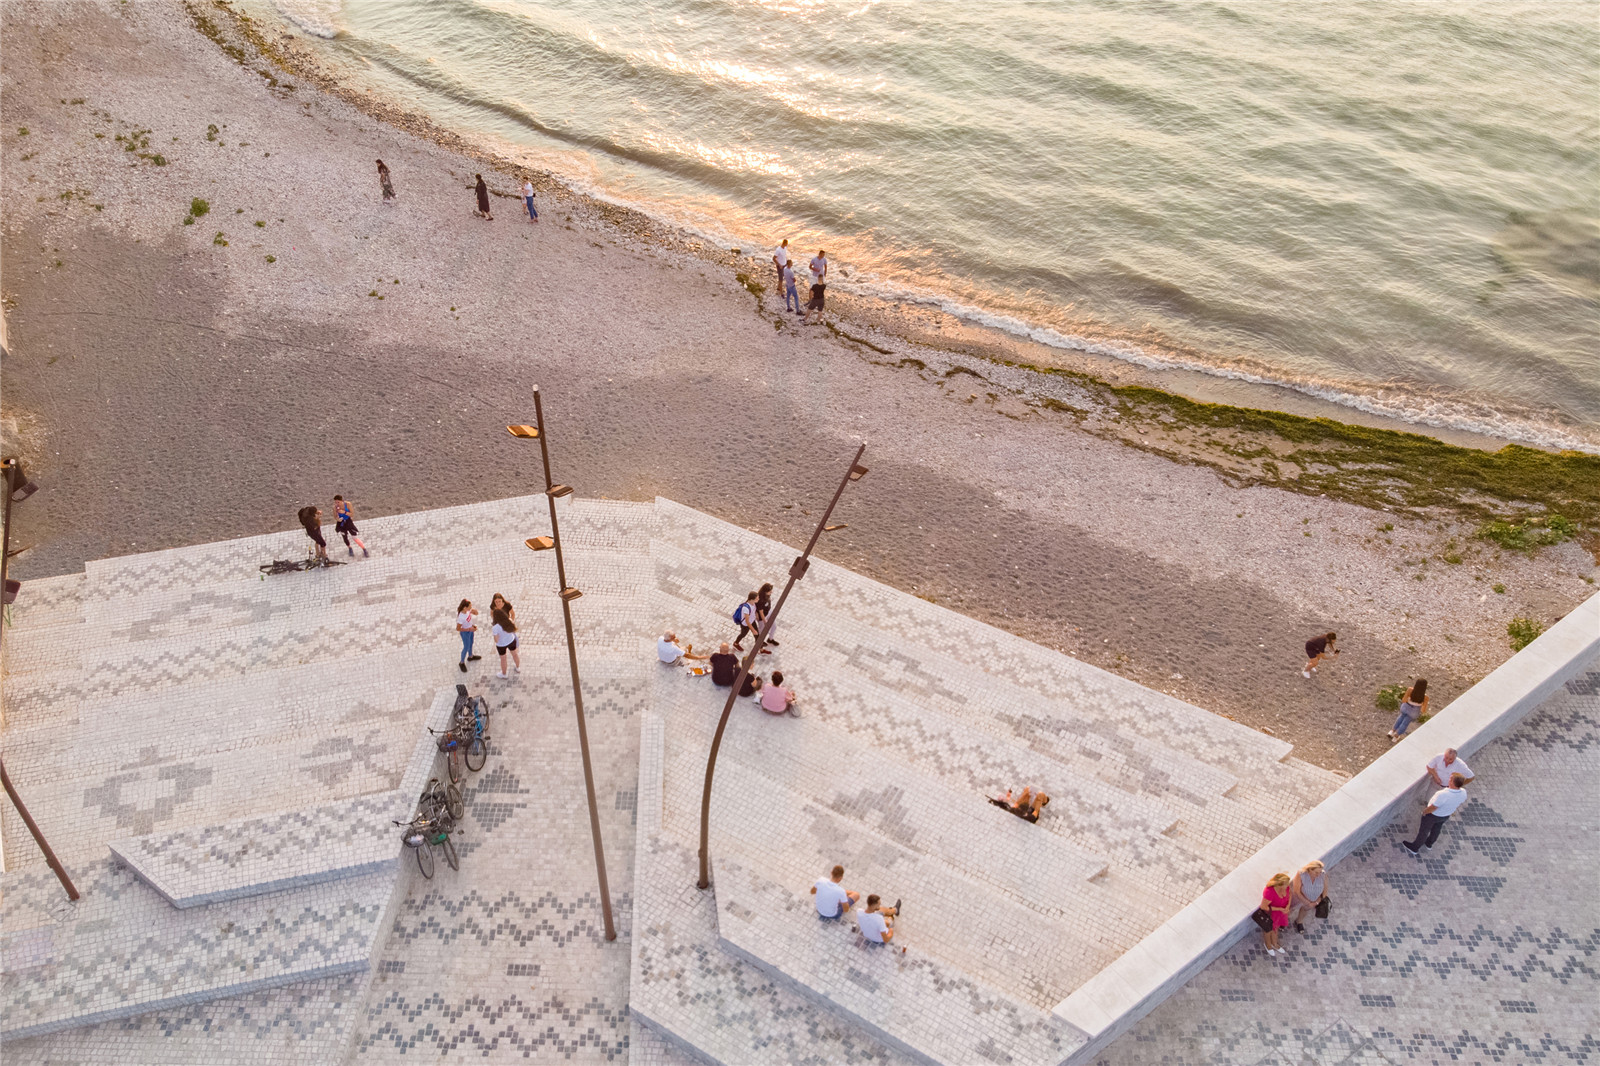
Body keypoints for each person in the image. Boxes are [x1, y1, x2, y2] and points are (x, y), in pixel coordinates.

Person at [1402, 773, 1469, 857]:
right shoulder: (1463, 792)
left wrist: (1425, 812)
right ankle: (1429, 843)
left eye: (1450, 779)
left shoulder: (1443, 794)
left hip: (1433, 815)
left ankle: (1415, 847)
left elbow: (1434, 807)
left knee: (1424, 831)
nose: (1449, 779)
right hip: (1446, 815)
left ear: (1452, 782)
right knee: (1437, 828)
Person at [1288, 859, 1328, 933]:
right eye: (1316, 872)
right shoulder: (1301, 874)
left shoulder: (1323, 874)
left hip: (1313, 901)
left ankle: (1299, 921)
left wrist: (1315, 903)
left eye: (1320, 872)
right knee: (1290, 909)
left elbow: (1325, 891)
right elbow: (1297, 891)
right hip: (1299, 898)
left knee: (1304, 910)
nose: (1318, 874)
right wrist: (1307, 902)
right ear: (1309, 870)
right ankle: (1283, 921)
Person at [1260, 872, 1291, 956]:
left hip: (1280, 913)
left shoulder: (1286, 887)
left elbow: (1289, 894)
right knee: (1268, 930)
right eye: (1286, 884)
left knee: (1276, 929)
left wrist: (1288, 906)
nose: (1288, 885)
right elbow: (1263, 906)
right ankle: (1268, 945)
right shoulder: (1270, 892)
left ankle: (1274, 943)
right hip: (1271, 914)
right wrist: (1280, 909)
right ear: (1280, 885)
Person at [491, 606, 520, 678]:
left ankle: (504, 674)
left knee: (503, 659)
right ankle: (518, 667)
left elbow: (496, 640)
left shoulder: (495, 627)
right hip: (511, 640)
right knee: (515, 654)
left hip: (501, 645)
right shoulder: (509, 620)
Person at [801, 249, 828, 324]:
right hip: (814, 276)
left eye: (824, 255)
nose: (823, 256)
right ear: (819, 254)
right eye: (822, 255)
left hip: (820, 276)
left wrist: (825, 274)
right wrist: (814, 269)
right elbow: (810, 266)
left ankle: (818, 300)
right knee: (811, 289)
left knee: (820, 288)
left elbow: (825, 267)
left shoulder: (824, 260)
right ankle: (810, 301)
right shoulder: (814, 259)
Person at [455, 599, 482, 673]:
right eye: (469, 607)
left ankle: (470, 656)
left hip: (470, 631)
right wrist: (469, 629)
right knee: (466, 647)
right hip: (465, 633)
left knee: (471, 643)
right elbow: (458, 628)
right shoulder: (461, 617)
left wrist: (475, 612)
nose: (471, 608)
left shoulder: (467, 611)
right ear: (464, 607)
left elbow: (475, 614)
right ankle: (461, 662)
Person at [755, 582, 779, 649]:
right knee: (761, 630)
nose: (771, 592)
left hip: (768, 612)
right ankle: (759, 642)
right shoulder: (760, 600)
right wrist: (764, 620)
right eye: (770, 591)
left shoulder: (767, 595)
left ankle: (770, 639)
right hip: (762, 617)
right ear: (765, 592)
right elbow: (761, 612)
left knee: (774, 626)